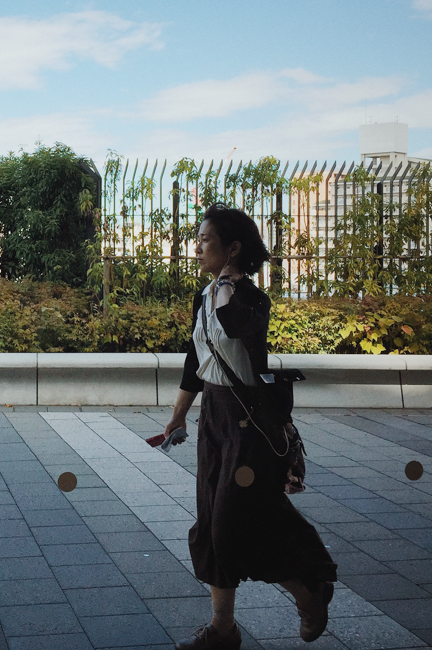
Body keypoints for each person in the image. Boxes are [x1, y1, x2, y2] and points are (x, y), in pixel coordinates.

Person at [164, 203, 337, 650]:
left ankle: (308, 588)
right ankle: (222, 630)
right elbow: (195, 359)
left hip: (247, 423)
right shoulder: (203, 296)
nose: (197, 247)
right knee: (210, 522)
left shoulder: (251, 299)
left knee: (234, 524)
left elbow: (234, 324)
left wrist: (226, 284)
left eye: (205, 240)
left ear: (233, 248)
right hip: (214, 420)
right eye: (198, 240)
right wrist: (179, 415)